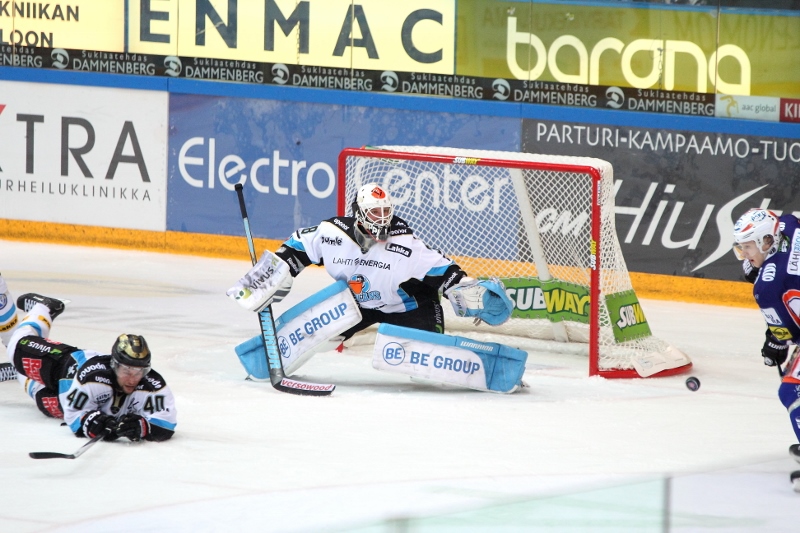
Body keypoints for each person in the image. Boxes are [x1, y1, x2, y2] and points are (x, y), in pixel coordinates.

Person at [227, 183, 513, 342]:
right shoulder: (333, 234)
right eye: (375, 212)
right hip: (355, 306)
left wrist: (466, 288)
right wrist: (271, 275)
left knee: (425, 358)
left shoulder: (404, 244)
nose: (382, 218)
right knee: (317, 340)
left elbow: (444, 271)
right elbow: (298, 247)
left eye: (386, 211)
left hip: (408, 308)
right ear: (359, 214)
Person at [2, 283, 177, 442]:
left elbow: (166, 423)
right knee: (17, 347)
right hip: (63, 368)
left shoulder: (152, 384)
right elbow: (78, 413)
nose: (133, 379)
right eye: (127, 371)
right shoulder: (94, 375)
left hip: (65, 400)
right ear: (114, 364)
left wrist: (142, 427)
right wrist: (95, 422)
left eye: (139, 372)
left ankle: (18, 371)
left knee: (40, 397)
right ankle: (45, 307)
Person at [732, 208, 800, 465]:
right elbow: (785, 216)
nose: (744, 255)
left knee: (792, 390)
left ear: (766, 241)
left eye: (748, 247)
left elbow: (787, 337)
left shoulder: (768, 288)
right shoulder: (789, 226)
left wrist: (774, 343)